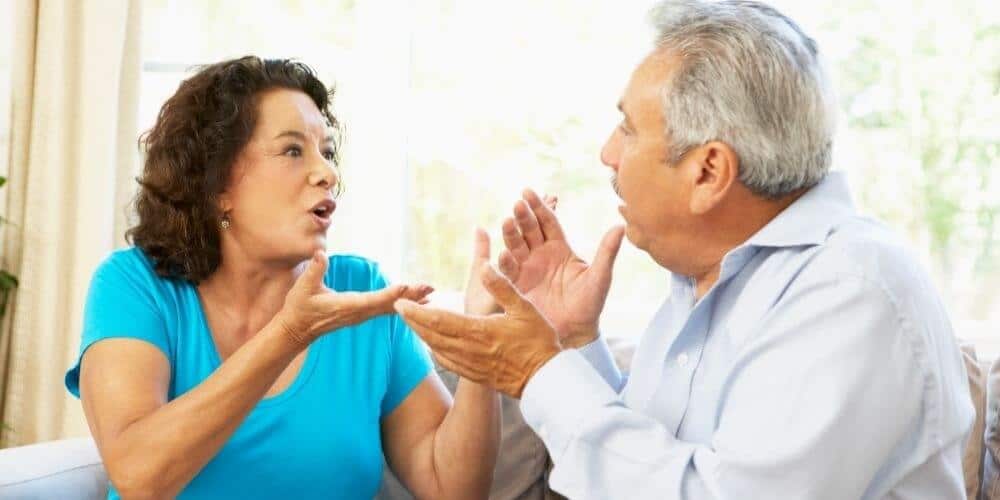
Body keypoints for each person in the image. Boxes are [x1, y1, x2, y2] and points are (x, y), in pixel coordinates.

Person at [393, 1, 975, 498]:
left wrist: (539, 372)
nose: (607, 154)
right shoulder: (710, 279)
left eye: (629, 130)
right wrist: (572, 342)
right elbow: (658, 464)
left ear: (709, 171)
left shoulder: (852, 292)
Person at [65, 56, 501, 500]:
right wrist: (290, 333)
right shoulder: (135, 286)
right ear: (218, 186)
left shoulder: (363, 288)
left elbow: (454, 489)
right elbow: (139, 478)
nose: (327, 173)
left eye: (327, 152)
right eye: (293, 150)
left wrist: (484, 337)